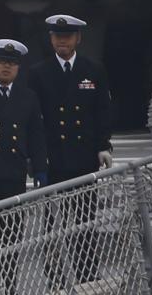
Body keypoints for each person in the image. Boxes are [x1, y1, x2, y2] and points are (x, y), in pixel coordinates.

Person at [32, 13, 114, 182]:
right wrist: (36, 156)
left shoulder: (94, 69)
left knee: (85, 206)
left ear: (78, 38)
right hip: (53, 155)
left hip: (86, 154)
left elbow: (102, 111)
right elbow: (33, 119)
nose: (62, 41)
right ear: (51, 38)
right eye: (58, 36)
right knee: (54, 207)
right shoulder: (38, 73)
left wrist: (104, 147)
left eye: (67, 36)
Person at [0, 40, 48, 203]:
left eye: (12, 62)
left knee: (13, 223)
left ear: (19, 67)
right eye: (1, 61)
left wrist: (40, 168)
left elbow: (36, 136)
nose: (7, 66)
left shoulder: (28, 97)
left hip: (14, 172)